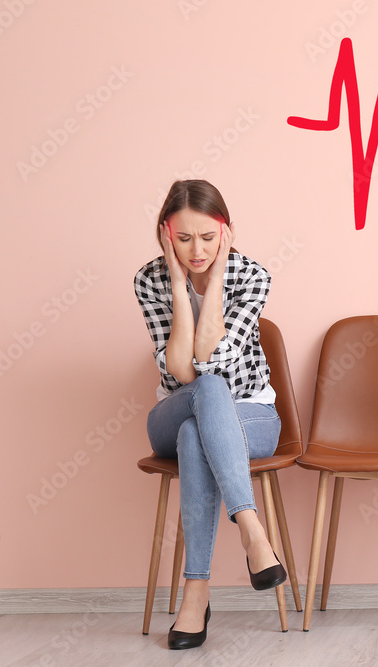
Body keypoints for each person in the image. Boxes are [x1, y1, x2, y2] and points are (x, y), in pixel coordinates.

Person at [133, 180, 286, 650]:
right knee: (203, 396)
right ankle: (252, 529)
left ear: (227, 231)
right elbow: (183, 373)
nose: (196, 250)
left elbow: (212, 354)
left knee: (195, 437)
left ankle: (195, 594)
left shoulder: (252, 276)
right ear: (166, 235)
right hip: (173, 409)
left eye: (207, 237)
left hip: (251, 416)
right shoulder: (150, 280)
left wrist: (215, 280)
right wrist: (180, 287)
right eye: (183, 239)